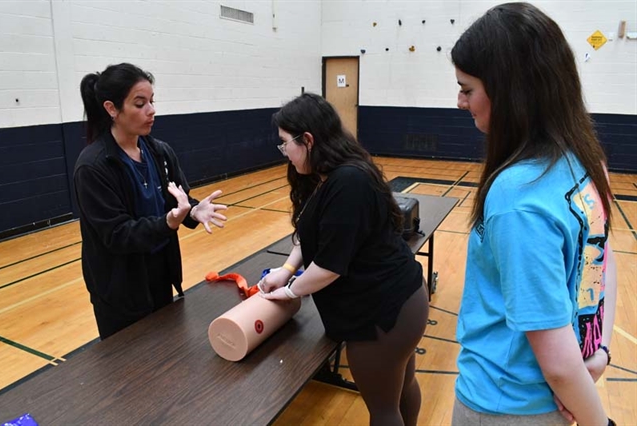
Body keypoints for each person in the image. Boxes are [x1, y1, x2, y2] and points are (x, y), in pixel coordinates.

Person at [450, 3, 618, 426]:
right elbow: (602, 258)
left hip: (504, 405)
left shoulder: (515, 194)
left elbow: (559, 365)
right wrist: (598, 351)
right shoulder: (588, 161)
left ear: (510, 91)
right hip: (548, 400)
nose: (459, 102)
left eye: (467, 89)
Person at [260, 92, 428, 426]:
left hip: (383, 314)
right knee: (400, 387)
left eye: (284, 144)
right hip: (403, 302)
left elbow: (328, 267)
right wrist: (288, 269)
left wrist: (292, 290)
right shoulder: (332, 175)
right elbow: (316, 238)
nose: (283, 153)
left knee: (383, 408)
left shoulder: (347, 181)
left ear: (307, 139)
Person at [74, 63, 228, 339]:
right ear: (112, 109)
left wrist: (193, 211)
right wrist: (168, 223)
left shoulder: (160, 152)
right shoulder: (93, 167)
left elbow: (177, 202)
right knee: (129, 369)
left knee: (164, 356)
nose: (151, 110)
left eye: (152, 101)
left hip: (158, 274)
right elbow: (117, 234)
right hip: (119, 287)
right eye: (140, 103)